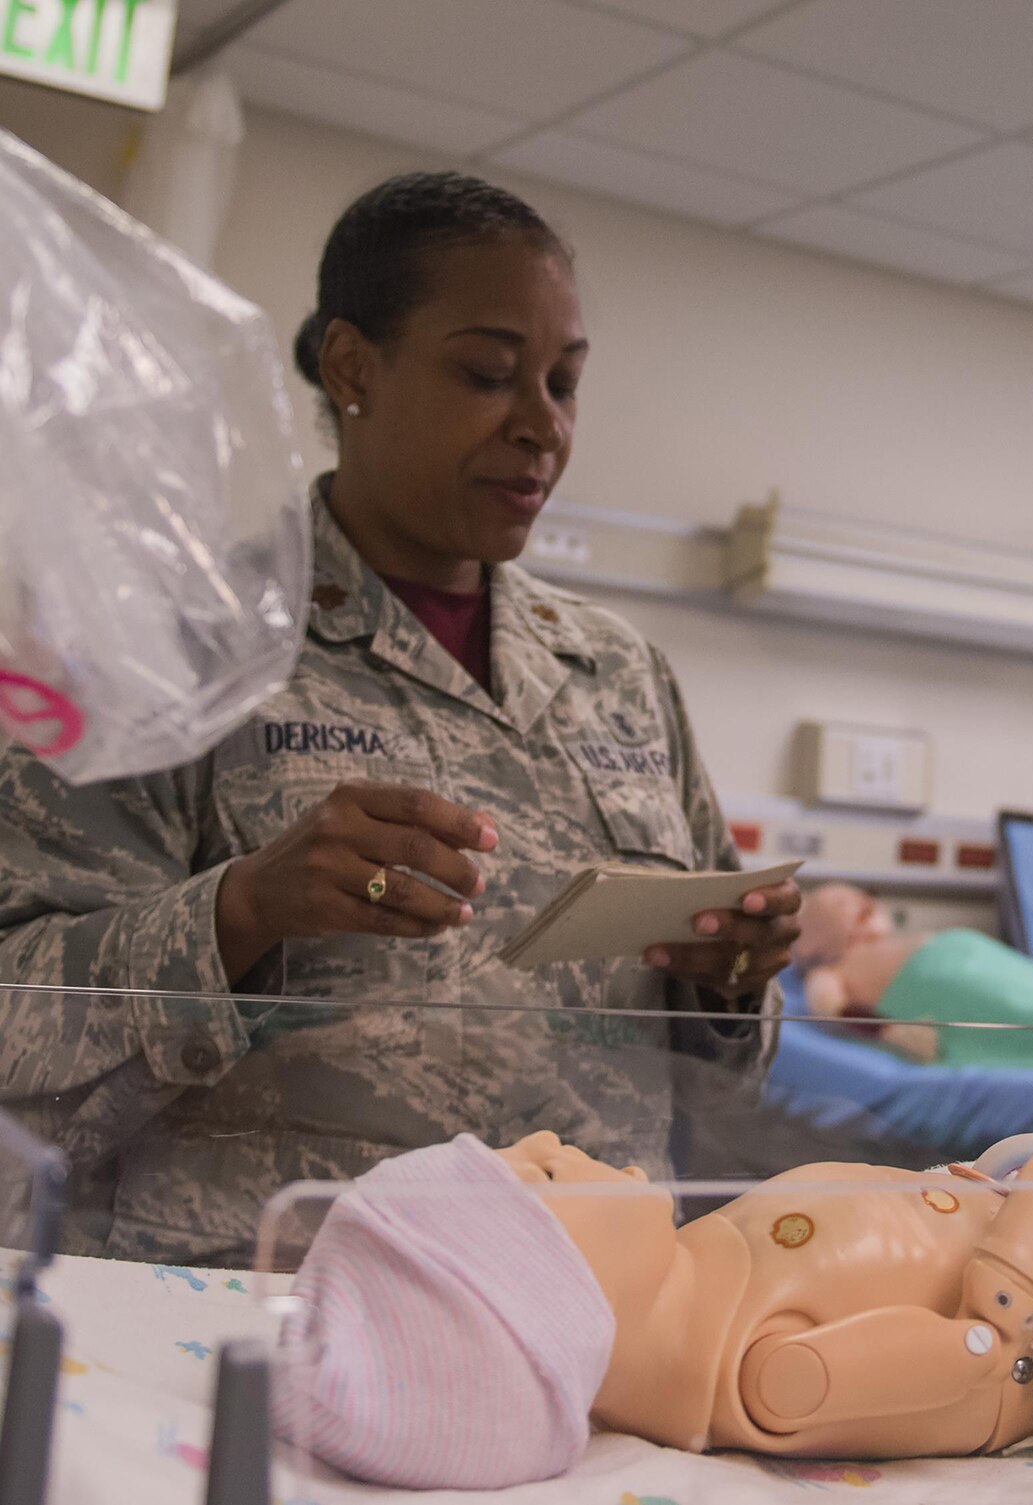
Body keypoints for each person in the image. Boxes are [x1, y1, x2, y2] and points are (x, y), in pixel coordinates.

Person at [0, 172, 799, 1262]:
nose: (542, 427)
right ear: (351, 367)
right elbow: (17, 1026)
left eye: (564, 384)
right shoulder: (170, 644)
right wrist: (243, 907)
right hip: (279, 1300)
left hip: (591, 1299)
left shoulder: (620, 672)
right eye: (488, 374)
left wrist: (729, 985)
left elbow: (715, 1082)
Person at [274, 1056, 1033, 1488]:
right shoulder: (773, 1376)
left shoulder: (706, 1258)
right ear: (558, 1296)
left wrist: (1004, 1178)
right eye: (537, 1174)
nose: (543, 1139)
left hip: (1025, 1197)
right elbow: (984, 1342)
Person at [793, 882, 1033, 1070]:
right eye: (839, 903)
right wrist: (891, 1032)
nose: (860, 901)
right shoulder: (831, 969)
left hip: (968, 955)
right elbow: (829, 1007)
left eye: (858, 897)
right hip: (944, 984)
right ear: (816, 938)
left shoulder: (891, 942)